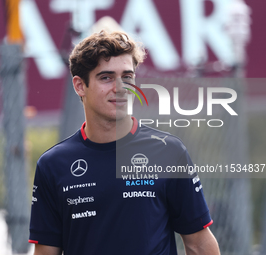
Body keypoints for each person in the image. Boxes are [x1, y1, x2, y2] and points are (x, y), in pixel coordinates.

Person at [29, 30, 220, 255]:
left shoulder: (169, 152)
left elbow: (199, 245)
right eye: (106, 77)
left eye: (127, 77)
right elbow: (46, 253)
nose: (120, 88)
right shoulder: (53, 165)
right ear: (80, 86)